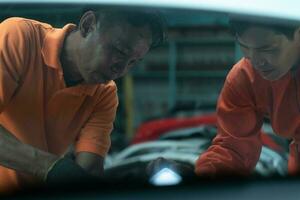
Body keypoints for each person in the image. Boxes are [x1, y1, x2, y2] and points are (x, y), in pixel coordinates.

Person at [0, 7, 166, 192]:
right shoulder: (19, 38)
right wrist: (50, 167)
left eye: (133, 61)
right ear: (88, 25)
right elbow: (62, 173)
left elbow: (88, 173)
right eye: (119, 51)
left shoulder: (104, 94)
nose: (121, 70)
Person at [195, 17, 300, 177]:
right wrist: (205, 181)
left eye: (268, 49)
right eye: (245, 48)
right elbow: (233, 149)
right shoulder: (245, 77)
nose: (257, 61)